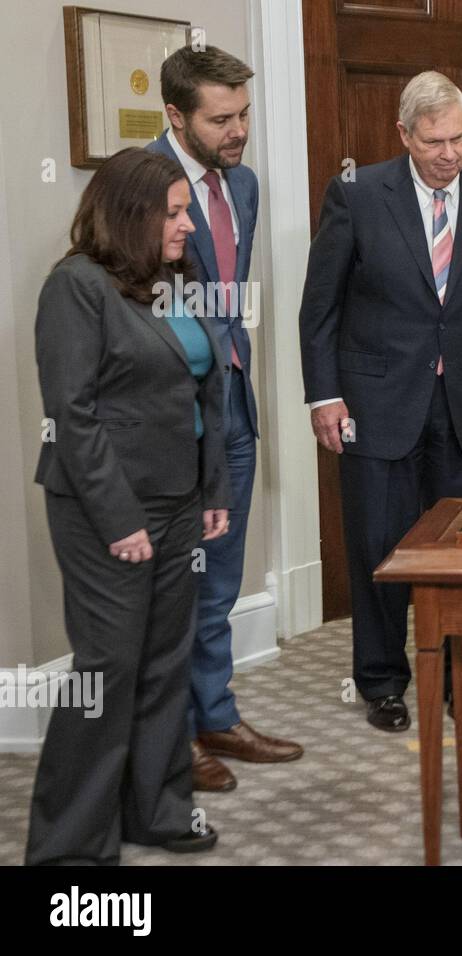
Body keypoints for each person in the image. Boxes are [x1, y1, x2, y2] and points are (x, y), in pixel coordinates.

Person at [300, 70, 462, 732]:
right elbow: (321, 306)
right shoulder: (356, 195)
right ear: (404, 135)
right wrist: (325, 396)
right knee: (379, 540)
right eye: (434, 142)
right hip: (374, 402)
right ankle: (381, 680)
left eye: (459, 139)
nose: (450, 154)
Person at [26, 148, 230, 864]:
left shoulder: (178, 279)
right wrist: (121, 522)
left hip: (181, 501)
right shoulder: (75, 288)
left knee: (165, 663)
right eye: (172, 214)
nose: (185, 226)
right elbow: (72, 415)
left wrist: (213, 491)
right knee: (106, 670)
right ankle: (69, 848)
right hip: (102, 508)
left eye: (186, 211)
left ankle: (158, 810)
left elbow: (207, 389)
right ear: (128, 215)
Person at [148, 45, 303, 793]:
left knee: (221, 579)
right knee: (179, 587)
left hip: (234, 408)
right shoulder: (146, 186)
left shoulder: (243, 185)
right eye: (221, 119)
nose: (238, 131)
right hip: (180, 422)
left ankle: (216, 713)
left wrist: (236, 367)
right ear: (175, 116)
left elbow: (234, 298)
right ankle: (174, 740)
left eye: (244, 114)